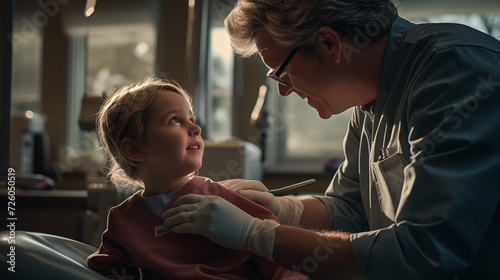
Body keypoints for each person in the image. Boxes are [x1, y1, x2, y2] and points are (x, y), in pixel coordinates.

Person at [161, 1, 500, 279]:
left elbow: (427, 253)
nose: (284, 88)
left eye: (281, 71)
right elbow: (352, 209)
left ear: (328, 44)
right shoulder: (368, 104)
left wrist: (258, 235)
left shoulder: (456, 71)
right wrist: (284, 210)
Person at [86, 77, 307, 280]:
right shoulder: (124, 221)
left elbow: (277, 257)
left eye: (191, 118)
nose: (195, 128)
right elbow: (107, 271)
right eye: (174, 120)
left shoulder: (223, 199)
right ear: (134, 149)